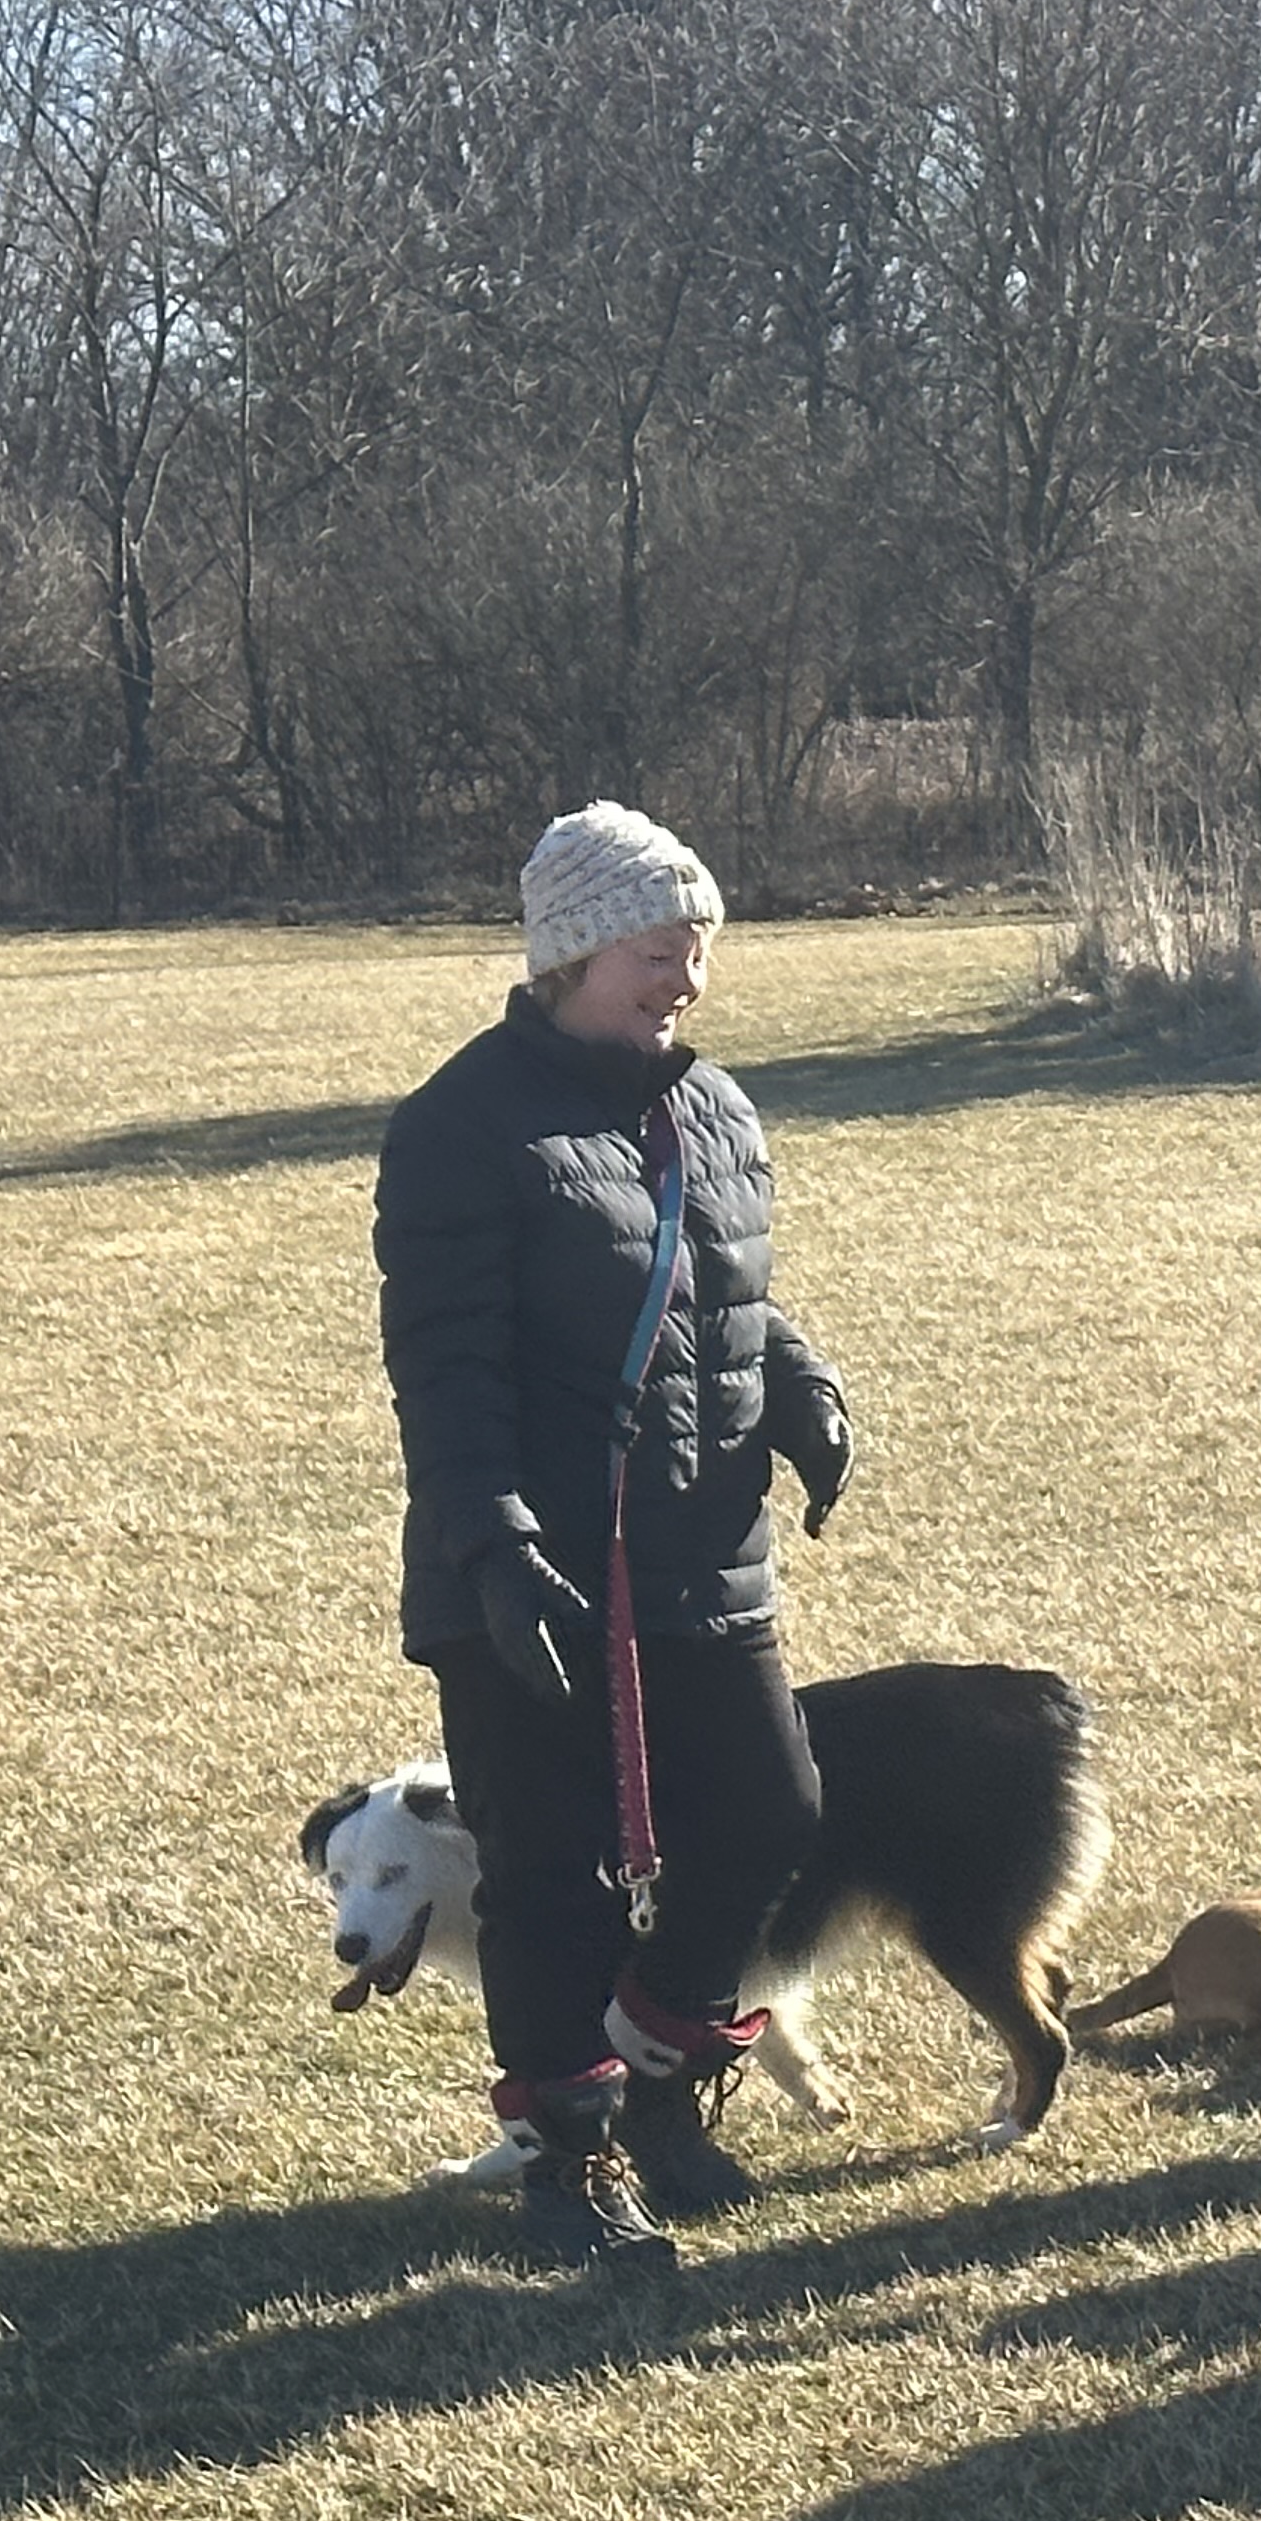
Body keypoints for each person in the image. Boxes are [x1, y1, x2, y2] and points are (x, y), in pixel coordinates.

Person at [374, 802, 855, 2269]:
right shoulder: (462, 1126)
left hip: (706, 1545)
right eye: (661, 950)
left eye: (699, 949)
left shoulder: (712, 1107)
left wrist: (801, 1386)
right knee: (553, 1867)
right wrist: (495, 1537)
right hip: (529, 1563)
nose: (687, 980)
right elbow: (444, 1364)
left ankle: (652, 2076)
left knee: (771, 1811)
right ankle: (569, 2174)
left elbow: (727, 1293)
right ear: (574, 952)